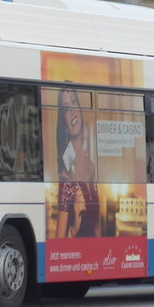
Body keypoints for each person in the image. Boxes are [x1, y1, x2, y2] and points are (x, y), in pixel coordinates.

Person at [54, 88, 99, 238]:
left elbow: (97, 228)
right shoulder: (66, 176)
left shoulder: (91, 166)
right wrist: (74, 230)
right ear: (64, 123)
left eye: (74, 102)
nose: (72, 111)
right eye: (66, 109)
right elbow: (59, 242)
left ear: (80, 108)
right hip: (77, 251)